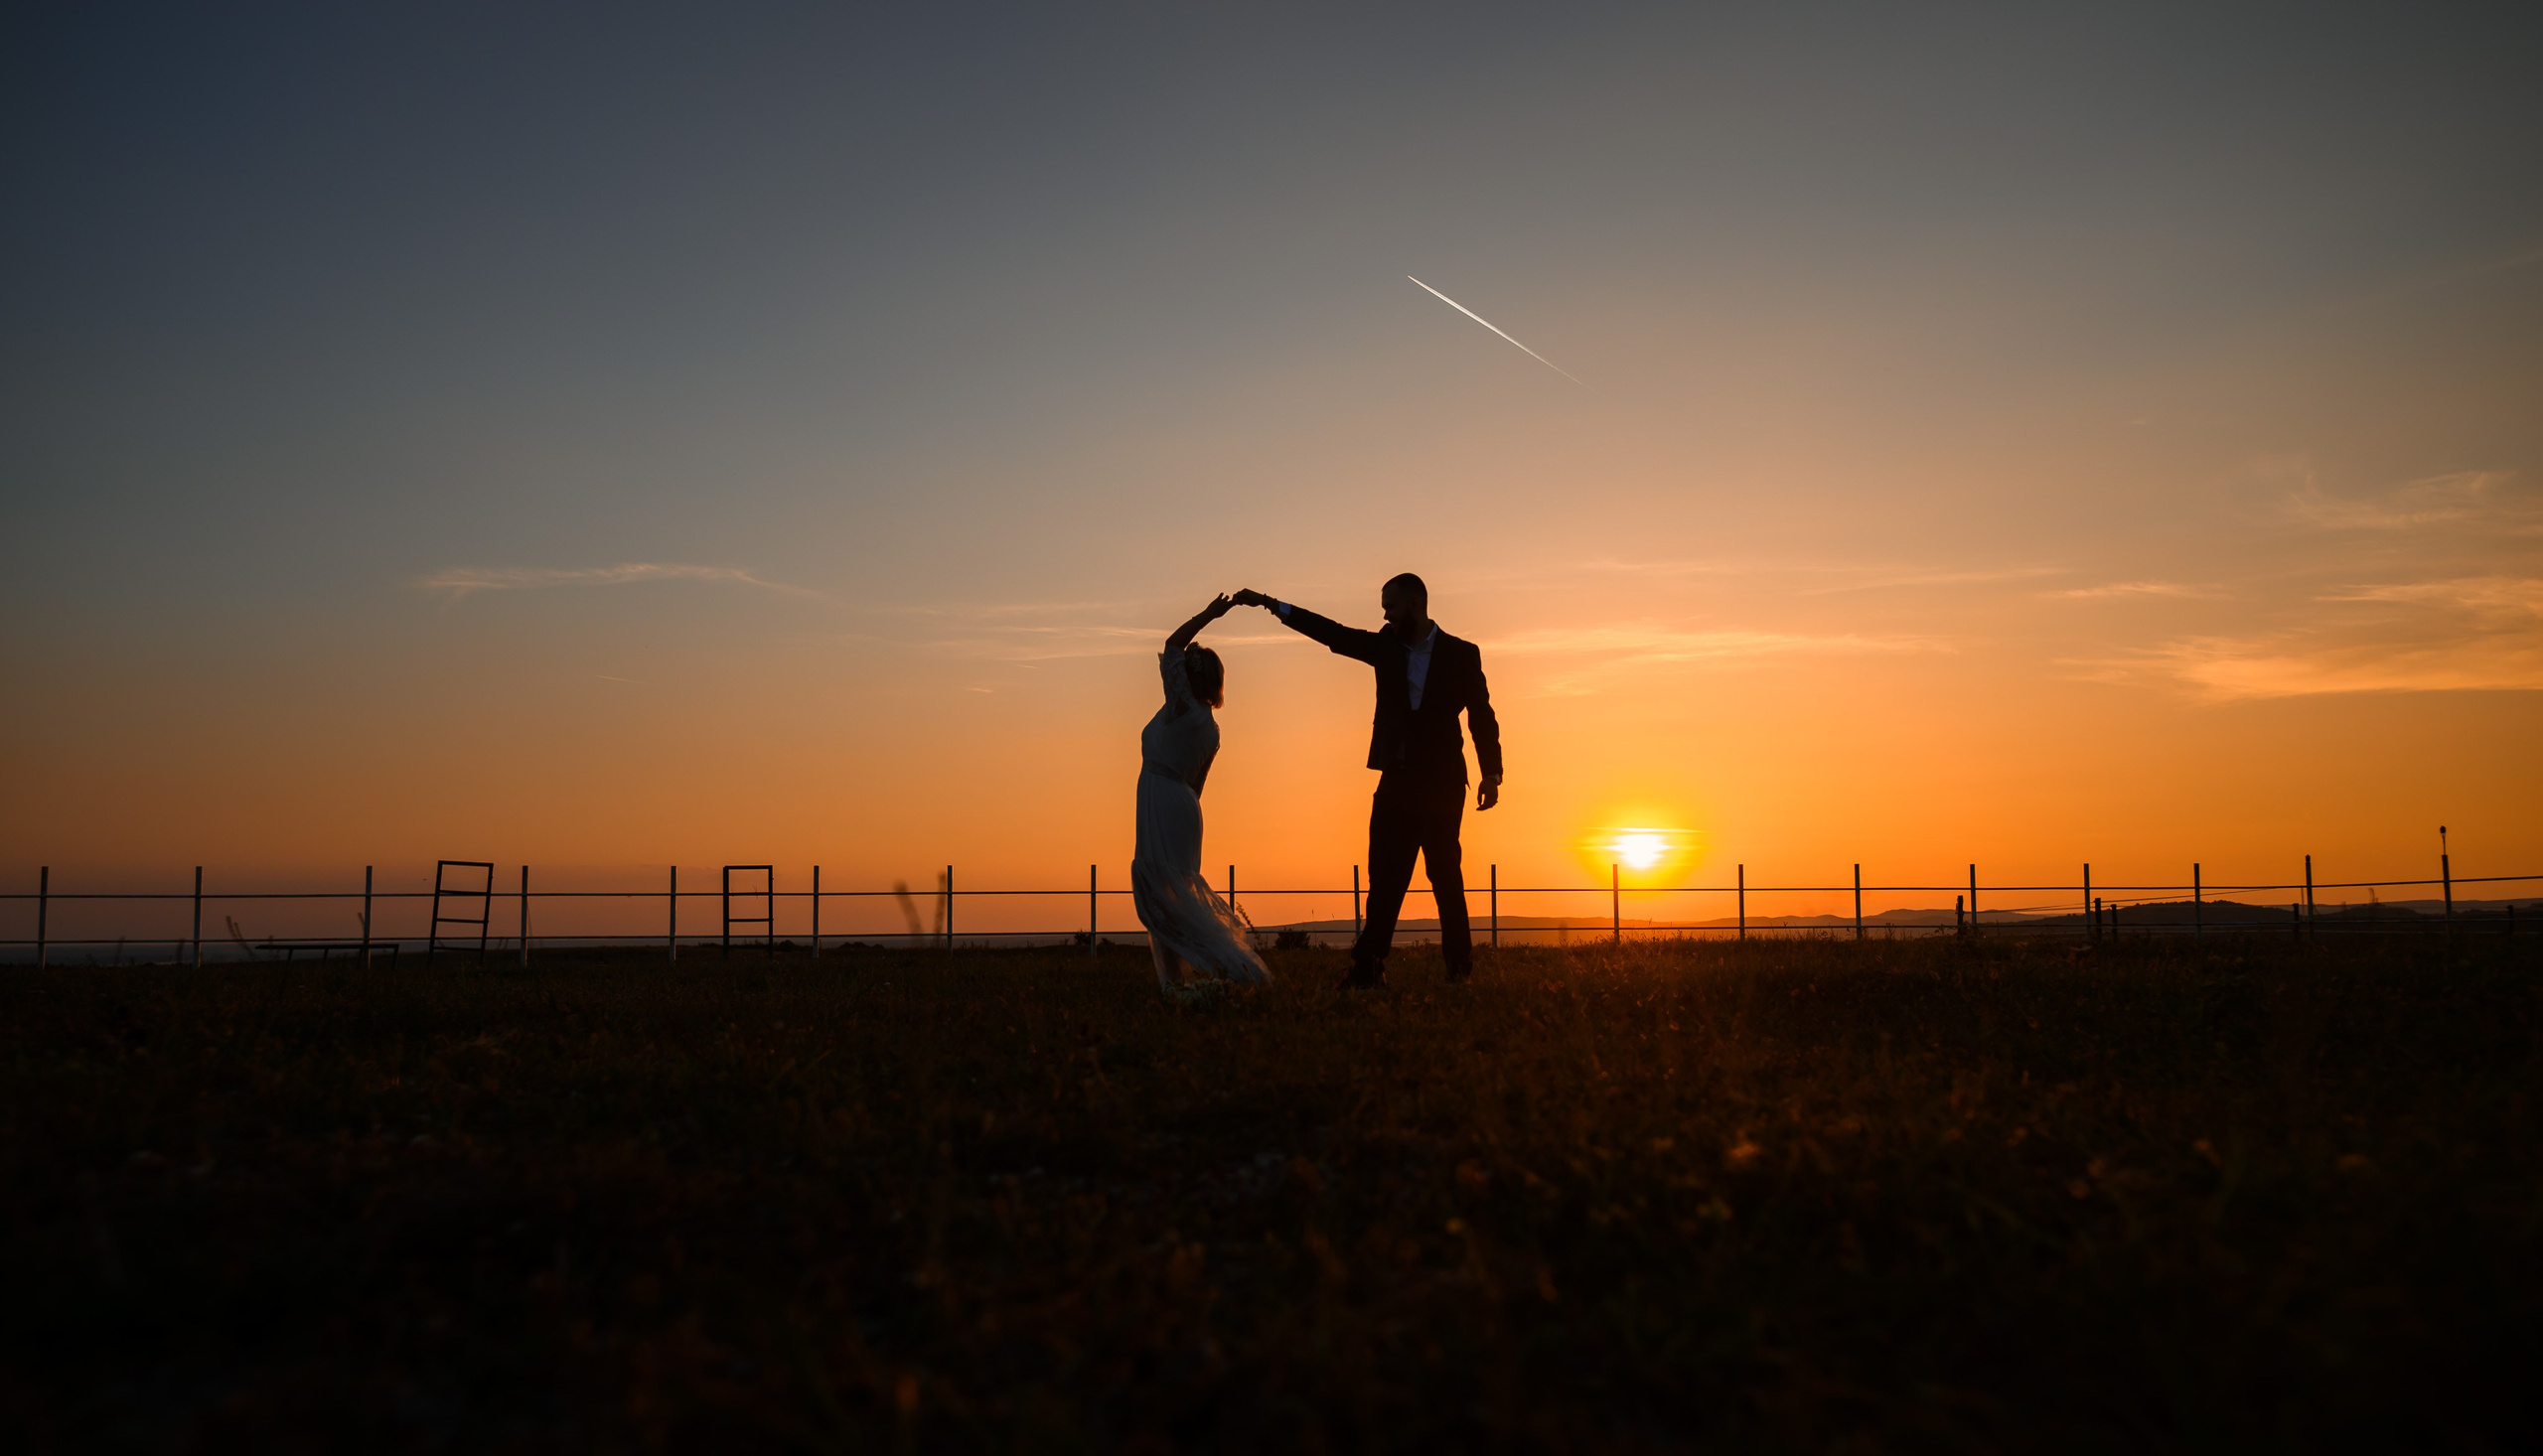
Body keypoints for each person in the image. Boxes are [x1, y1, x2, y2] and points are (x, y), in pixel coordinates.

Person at [1233, 575, 1500, 986]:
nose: (1384, 613)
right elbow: (1333, 635)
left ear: (1415, 603)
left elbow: (1481, 714)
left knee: (1445, 873)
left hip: (1443, 783)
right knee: (1385, 878)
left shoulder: (1462, 654)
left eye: (1390, 605)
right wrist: (1272, 604)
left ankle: (1459, 969)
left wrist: (1491, 772)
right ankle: (1368, 968)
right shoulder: (1385, 647)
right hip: (1396, 780)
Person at [1131, 593, 1270, 1001]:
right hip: (1184, 807)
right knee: (1172, 894)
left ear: (1189, 680)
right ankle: (1177, 981)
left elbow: (1172, 645)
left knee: (1162, 893)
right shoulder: (1210, 728)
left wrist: (1211, 614)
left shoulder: (1182, 707)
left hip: (1162, 799)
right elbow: (1199, 787)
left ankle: (1200, 977)